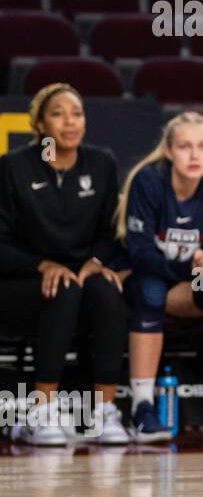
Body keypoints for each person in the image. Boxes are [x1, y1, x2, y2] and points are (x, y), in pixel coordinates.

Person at [0, 84, 128, 446]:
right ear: (39, 124)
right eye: (58, 113)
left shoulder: (101, 163)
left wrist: (97, 260)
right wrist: (41, 264)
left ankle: (103, 411)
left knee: (107, 289)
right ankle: (42, 410)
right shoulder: (13, 167)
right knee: (64, 288)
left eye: (77, 113)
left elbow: (110, 231)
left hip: (81, 274)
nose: (69, 122)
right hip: (21, 278)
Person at [115, 113, 203, 443]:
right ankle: (142, 408)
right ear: (170, 151)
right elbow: (140, 252)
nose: (194, 155)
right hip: (149, 274)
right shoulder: (148, 180)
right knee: (150, 293)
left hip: (193, 278)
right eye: (185, 146)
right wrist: (190, 267)